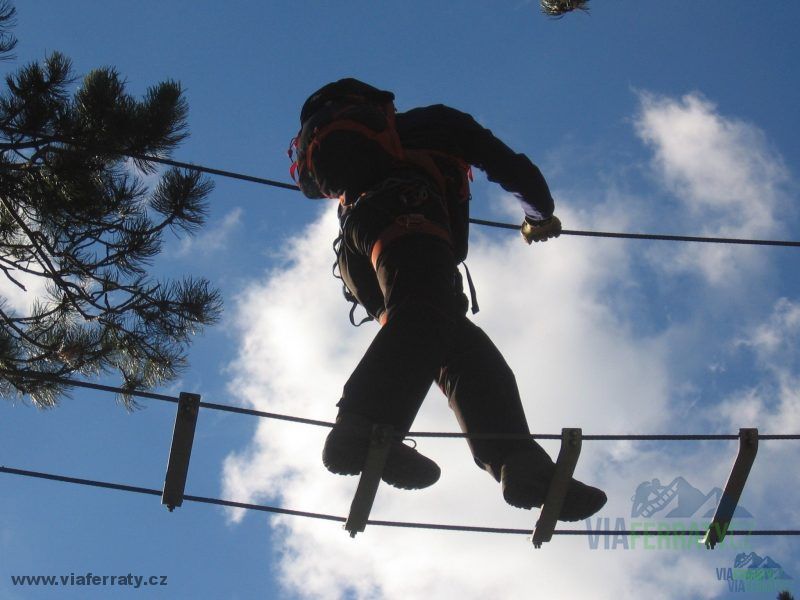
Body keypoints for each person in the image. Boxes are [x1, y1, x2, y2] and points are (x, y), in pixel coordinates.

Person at [290, 78, 606, 521]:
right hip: (407, 214)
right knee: (423, 316)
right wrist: (540, 215)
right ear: (383, 106)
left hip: (358, 256)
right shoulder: (433, 123)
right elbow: (509, 166)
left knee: (460, 351)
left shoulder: (346, 157)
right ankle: (362, 426)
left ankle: (520, 464)